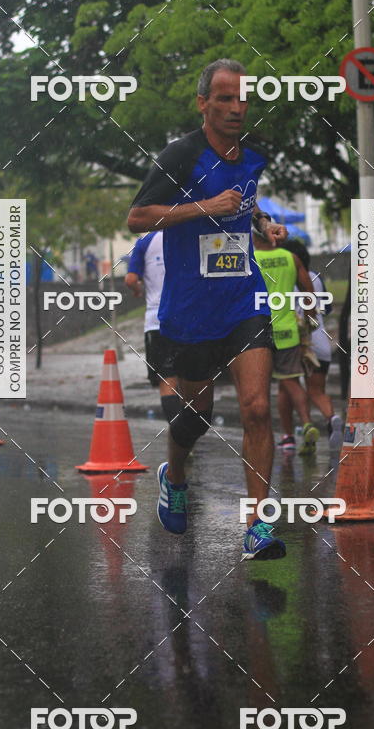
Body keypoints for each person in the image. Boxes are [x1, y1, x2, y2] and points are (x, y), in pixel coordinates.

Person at [128, 58, 288, 561]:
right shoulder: (180, 156)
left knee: (258, 408)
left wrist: (263, 225)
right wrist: (204, 208)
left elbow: (243, 202)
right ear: (203, 103)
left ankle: (257, 526)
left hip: (244, 299)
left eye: (243, 98)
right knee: (196, 418)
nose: (237, 107)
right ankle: (174, 475)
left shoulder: (253, 156)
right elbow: (137, 217)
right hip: (192, 310)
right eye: (225, 98)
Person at [252, 230, 320, 455]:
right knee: (292, 381)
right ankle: (307, 422)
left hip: (257, 332)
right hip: (288, 329)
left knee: (257, 390)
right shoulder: (291, 258)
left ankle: (270, 438)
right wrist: (309, 322)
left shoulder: (250, 258)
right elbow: (308, 292)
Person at [285, 241, 344, 450]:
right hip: (320, 340)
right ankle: (332, 417)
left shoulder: (285, 277)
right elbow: (326, 310)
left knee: (287, 385)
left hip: (297, 340)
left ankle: (298, 430)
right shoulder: (317, 278)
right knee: (317, 391)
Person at [124, 231, 182, 423]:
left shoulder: (145, 242)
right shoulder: (187, 233)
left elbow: (131, 279)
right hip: (189, 317)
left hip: (157, 321)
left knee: (167, 379)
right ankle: (189, 434)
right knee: (193, 378)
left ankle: (179, 435)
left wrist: (137, 291)